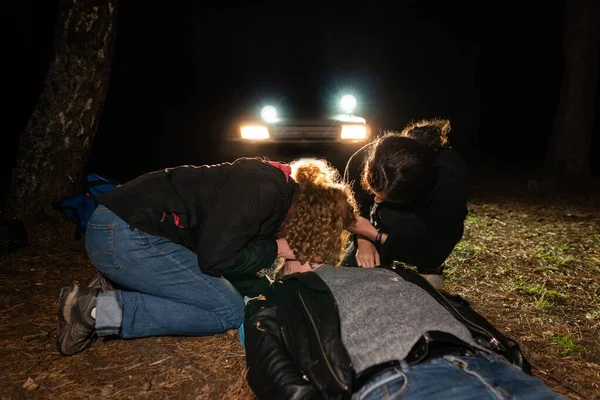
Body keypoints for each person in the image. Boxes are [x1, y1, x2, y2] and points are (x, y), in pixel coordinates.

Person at [56, 157, 358, 356]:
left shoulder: (276, 202)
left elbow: (238, 271)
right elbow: (213, 261)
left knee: (223, 295)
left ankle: (125, 282)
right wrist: (280, 250)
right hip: (122, 234)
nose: (307, 269)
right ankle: (95, 310)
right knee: (226, 310)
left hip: (125, 236)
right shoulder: (266, 189)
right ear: (309, 229)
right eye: (313, 257)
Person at [244, 260, 566, 399]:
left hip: (497, 368)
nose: (302, 259)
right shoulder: (286, 293)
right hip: (401, 380)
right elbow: (267, 362)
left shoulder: (391, 272)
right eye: (289, 264)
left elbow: (460, 309)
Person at [344, 119, 469, 289]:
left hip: (428, 224)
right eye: (374, 193)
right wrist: (363, 239)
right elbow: (359, 207)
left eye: (384, 198)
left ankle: (427, 271)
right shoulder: (360, 160)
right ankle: (385, 259)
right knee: (351, 272)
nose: (376, 200)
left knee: (426, 273)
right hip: (386, 219)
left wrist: (373, 234)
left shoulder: (450, 178)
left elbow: (436, 250)